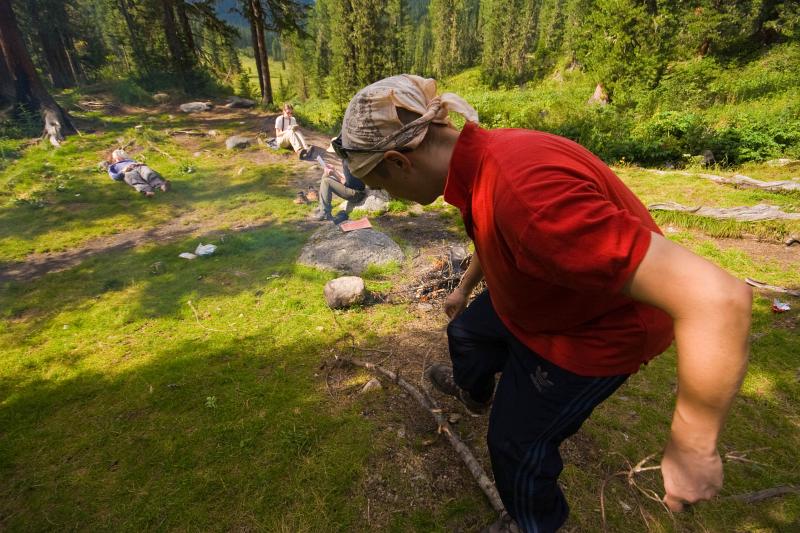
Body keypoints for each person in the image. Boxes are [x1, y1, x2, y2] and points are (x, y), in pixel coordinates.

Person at [335, 75, 752, 532]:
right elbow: (493, 234)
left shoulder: (530, 197)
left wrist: (692, 446)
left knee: (514, 443)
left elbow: (717, 298)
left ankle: (535, 523)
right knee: (466, 332)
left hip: (592, 332)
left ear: (398, 161)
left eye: (380, 183)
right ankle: (475, 393)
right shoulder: (484, 160)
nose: (387, 195)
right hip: (539, 303)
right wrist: (465, 289)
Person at [310, 158, 366, 223]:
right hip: (353, 189)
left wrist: (334, 173)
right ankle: (322, 207)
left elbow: (348, 183)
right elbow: (346, 177)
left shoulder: (349, 162)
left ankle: (324, 213)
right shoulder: (348, 160)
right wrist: (334, 170)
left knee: (326, 181)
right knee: (326, 175)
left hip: (357, 194)